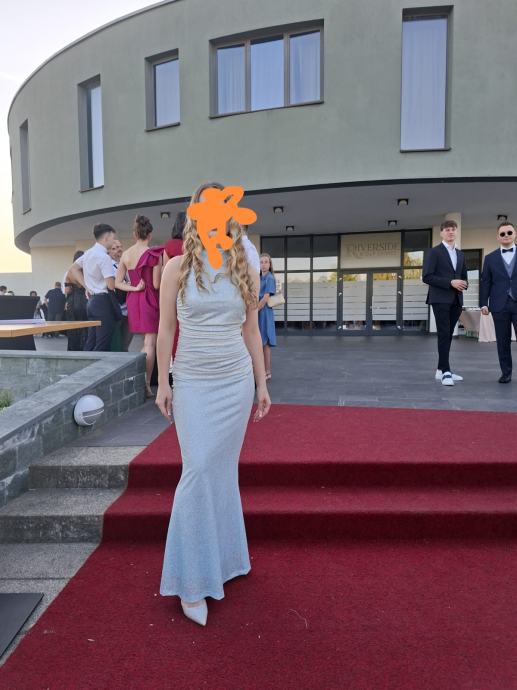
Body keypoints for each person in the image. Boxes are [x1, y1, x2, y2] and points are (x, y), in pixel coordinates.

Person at [155, 181, 271, 627]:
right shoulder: (176, 267)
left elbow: (251, 331)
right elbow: (165, 330)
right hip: (192, 380)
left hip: (235, 381)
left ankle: (225, 560)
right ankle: (190, 581)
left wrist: (260, 383)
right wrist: (163, 382)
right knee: (199, 468)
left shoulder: (244, 266)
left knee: (220, 472)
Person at [115, 215, 163, 396]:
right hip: (150, 298)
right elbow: (156, 284)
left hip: (134, 299)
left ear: (135, 235)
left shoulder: (126, 255)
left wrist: (134, 288)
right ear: (149, 235)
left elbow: (117, 283)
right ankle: (146, 384)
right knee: (150, 343)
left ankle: (140, 378)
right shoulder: (154, 254)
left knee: (144, 342)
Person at [422, 220, 468, 386]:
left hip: (456, 299)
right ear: (441, 233)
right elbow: (427, 276)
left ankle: (441, 369)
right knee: (443, 333)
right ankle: (446, 371)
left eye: (453, 229)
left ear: (456, 232)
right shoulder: (434, 252)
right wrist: (450, 282)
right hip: (440, 299)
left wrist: (464, 284)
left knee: (448, 334)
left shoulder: (460, 254)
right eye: (447, 229)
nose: (451, 232)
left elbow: (464, 276)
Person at [67, 223, 120, 352]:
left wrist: (87, 286)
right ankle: (96, 366)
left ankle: (84, 364)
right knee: (103, 342)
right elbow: (111, 285)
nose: (114, 241)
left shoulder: (88, 253)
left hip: (91, 302)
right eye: (113, 238)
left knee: (91, 341)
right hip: (103, 302)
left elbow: (73, 268)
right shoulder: (104, 257)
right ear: (106, 237)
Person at [480, 221, 517, 383]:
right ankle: (506, 373)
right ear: (498, 237)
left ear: (515, 234)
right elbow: (486, 282)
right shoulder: (490, 258)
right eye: (502, 233)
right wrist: (484, 303)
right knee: (502, 341)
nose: (506, 235)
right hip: (499, 305)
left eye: (509, 232)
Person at [109, 239, 133, 352]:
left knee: (126, 341)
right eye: (114, 248)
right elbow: (111, 284)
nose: (119, 249)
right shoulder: (108, 266)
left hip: (128, 308)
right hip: (116, 308)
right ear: (109, 252)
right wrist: (123, 284)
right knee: (116, 342)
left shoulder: (126, 264)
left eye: (120, 247)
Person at [63, 250, 88, 351]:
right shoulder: (87, 271)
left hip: (72, 303)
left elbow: (67, 290)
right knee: (85, 327)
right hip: (85, 301)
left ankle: (73, 349)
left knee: (72, 327)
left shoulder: (69, 272)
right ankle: (84, 348)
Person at [258, 253, 277, 380]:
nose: (263, 264)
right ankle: (261, 371)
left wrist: (254, 311)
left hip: (264, 312)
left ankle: (267, 371)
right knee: (259, 342)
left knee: (265, 343)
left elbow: (265, 298)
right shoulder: (259, 277)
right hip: (259, 311)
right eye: (261, 262)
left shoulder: (269, 278)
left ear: (270, 265)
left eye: (266, 262)